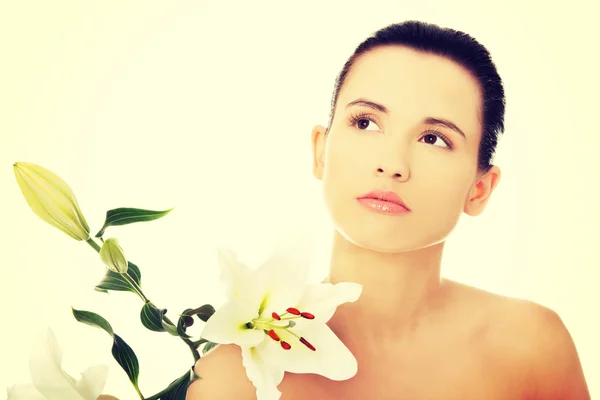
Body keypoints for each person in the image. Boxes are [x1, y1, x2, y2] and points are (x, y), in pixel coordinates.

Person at [187, 20, 590, 399]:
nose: (393, 164)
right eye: (366, 123)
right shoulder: (230, 380)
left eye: (434, 138)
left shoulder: (531, 346)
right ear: (320, 150)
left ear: (480, 189)